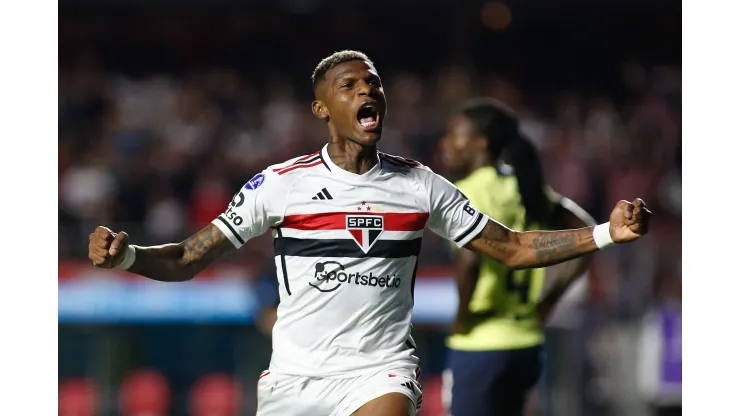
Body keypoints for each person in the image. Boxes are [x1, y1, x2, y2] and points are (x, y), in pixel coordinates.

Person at [87, 50, 652, 416]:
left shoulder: (419, 185)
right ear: (322, 107)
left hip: (378, 372)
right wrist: (127, 255)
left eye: (374, 83)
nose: (368, 91)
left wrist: (605, 234)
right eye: (350, 84)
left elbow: (513, 246)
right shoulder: (280, 185)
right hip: (294, 381)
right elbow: (188, 257)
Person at [440, 98, 597, 416]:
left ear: (479, 143)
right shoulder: (526, 187)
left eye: (455, 135)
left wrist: (461, 317)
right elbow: (589, 233)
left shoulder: (467, 190)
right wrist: (551, 299)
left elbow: (469, 261)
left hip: (481, 342)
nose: (446, 144)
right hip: (527, 340)